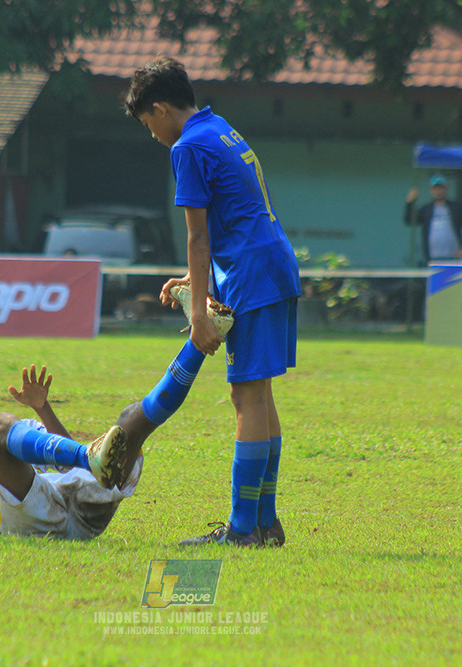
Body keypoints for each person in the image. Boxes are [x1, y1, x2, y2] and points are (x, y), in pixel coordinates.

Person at [124, 56, 300, 547]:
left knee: (246, 397)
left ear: (159, 109)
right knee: (258, 396)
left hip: (251, 274)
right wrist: (195, 282)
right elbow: (234, 217)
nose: (153, 135)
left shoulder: (186, 146)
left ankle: (242, 529)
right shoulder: (219, 127)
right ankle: (265, 522)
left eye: (147, 124)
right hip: (271, 264)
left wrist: (198, 310)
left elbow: (198, 237)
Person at [0, 336, 214, 540]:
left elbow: (72, 472)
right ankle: (86, 452)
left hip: (72, 512)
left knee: (130, 422)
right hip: (12, 522)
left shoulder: (25, 427)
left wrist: (43, 409)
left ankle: (198, 343)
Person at [404, 174, 462, 263]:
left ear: (446, 189)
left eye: (441, 188)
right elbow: (409, 220)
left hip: (454, 258)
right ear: (431, 190)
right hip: (432, 259)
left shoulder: (456, 208)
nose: (438, 191)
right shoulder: (426, 210)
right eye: (435, 188)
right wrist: (410, 202)